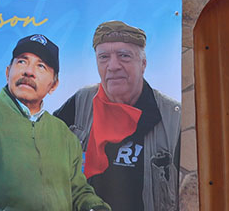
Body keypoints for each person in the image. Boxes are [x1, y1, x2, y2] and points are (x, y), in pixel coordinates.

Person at [0, 34, 109, 211]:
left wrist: (94, 206)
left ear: (54, 84)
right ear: (7, 72)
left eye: (41, 66)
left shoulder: (64, 135)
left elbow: (77, 191)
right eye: (21, 62)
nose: (28, 71)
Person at [55, 20, 181, 211]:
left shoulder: (174, 119)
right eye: (104, 57)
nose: (113, 66)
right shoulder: (80, 103)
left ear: (143, 64)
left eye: (124, 56)